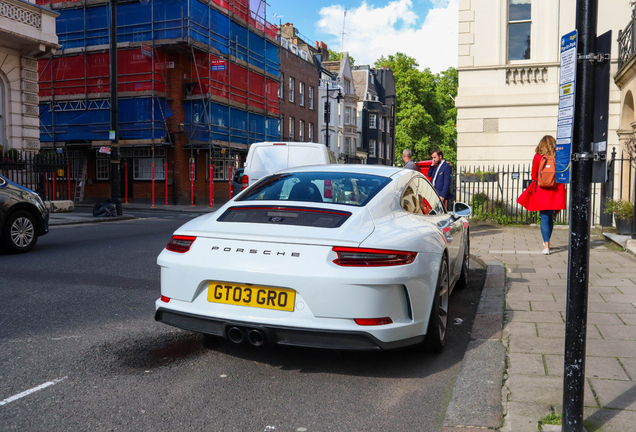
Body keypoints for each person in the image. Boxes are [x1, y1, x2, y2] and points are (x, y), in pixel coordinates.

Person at [517, 135, 566, 255]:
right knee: (550, 217)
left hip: (541, 189)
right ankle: (547, 242)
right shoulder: (558, 156)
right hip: (555, 188)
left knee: (544, 217)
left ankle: (546, 245)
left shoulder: (538, 157)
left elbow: (533, 176)